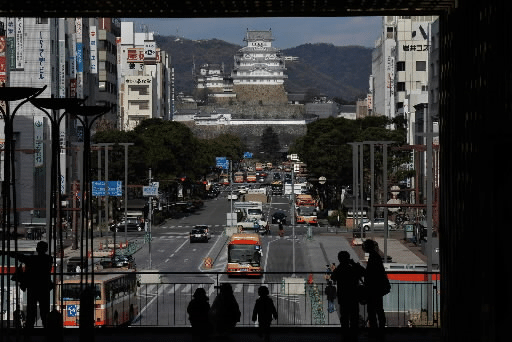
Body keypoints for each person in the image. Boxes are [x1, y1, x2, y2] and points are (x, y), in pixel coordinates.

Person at [1, 241, 53, 329]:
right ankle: (46, 329)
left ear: (37, 249)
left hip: (32, 288)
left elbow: (20, 256)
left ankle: (29, 330)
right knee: (45, 311)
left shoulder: (31, 259)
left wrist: (6, 252)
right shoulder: (48, 259)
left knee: (31, 311)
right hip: (44, 288)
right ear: (46, 249)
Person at [330, 250, 365, 342]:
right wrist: (354, 263)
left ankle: (345, 334)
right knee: (354, 316)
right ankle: (354, 334)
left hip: (343, 296)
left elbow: (333, 277)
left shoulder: (340, 269)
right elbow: (363, 272)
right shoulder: (352, 268)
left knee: (344, 317)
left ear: (339, 259)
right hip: (353, 295)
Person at [362, 239, 391, 340]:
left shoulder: (373, 258)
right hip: (377, 289)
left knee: (373, 311)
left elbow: (370, 274)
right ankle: (380, 330)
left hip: (373, 289)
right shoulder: (376, 256)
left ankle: (374, 331)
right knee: (378, 310)